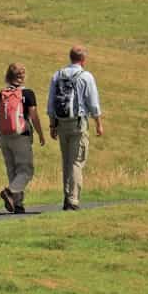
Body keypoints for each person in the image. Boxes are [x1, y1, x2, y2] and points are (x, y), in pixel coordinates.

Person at [47, 44, 104, 211]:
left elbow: (51, 103)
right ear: (83, 60)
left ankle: (67, 197)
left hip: (61, 122)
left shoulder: (58, 75)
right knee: (77, 161)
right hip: (78, 123)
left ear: (70, 57)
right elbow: (93, 104)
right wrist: (98, 123)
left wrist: (52, 124)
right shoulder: (86, 76)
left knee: (66, 162)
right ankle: (73, 200)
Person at [0, 62, 44, 214]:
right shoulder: (28, 94)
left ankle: (17, 205)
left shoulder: (2, 93)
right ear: (22, 77)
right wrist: (40, 133)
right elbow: (34, 116)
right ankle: (10, 192)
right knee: (26, 171)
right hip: (20, 136)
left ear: (8, 76)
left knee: (12, 170)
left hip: (3, 136)